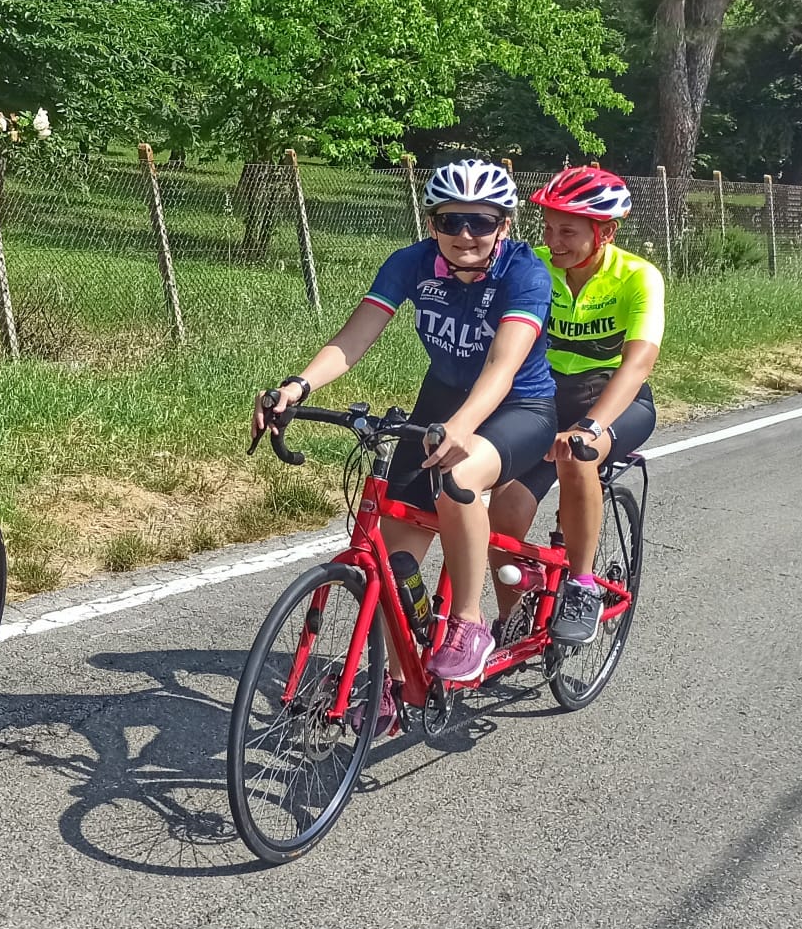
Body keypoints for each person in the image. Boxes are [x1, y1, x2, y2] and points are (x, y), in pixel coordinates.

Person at [254, 158, 557, 732]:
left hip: (519, 406)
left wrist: (465, 426)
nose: (465, 235)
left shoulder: (525, 273)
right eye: (450, 221)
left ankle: (470, 621)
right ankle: (395, 684)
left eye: (481, 222)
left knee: (459, 478)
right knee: (393, 560)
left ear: (505, 225)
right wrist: (297, 386)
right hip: (441, 400)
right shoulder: (411, 264)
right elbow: (354, 338)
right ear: (431, 222)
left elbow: (504, 363)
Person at [488, 166, 662, 644]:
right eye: (547, 227)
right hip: (546, 402)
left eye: (567, 230)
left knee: (578, 456)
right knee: (503, 511)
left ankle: (583, 585)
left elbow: (638, 364)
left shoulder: (637, 277)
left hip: (614, 402)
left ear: (605, 232)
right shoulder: (534, 266)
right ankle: (516, 616)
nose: (554, 240)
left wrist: (590, 427)